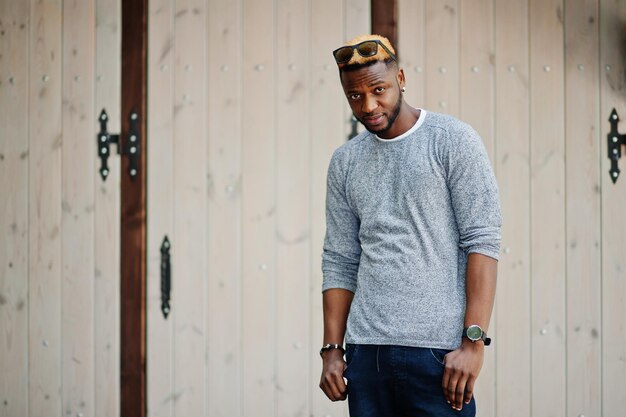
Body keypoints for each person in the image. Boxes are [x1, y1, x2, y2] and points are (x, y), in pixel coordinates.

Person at [319, 34, 502, 417]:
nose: (368, 105)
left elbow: (482, 241)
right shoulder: (345, 162)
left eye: (378, 90)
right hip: (367, 357)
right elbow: (340, 259)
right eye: (355, 96)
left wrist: (473, 343)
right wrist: (333, 351)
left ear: (400, 78)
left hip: (439, 356)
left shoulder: (453, 141)